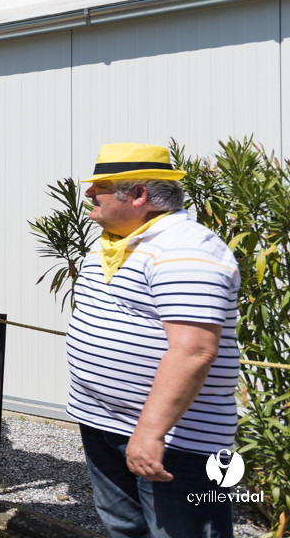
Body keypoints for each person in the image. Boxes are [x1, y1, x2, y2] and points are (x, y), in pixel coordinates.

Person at [66, 143, 239, 538]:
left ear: (139, 194)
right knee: (126, 529)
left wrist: (150, 432)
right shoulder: (113, 243)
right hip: (104, 422)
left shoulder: (186, 247)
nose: (89, 193)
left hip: (175, 439)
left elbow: (193, 350)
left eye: (100, 187)